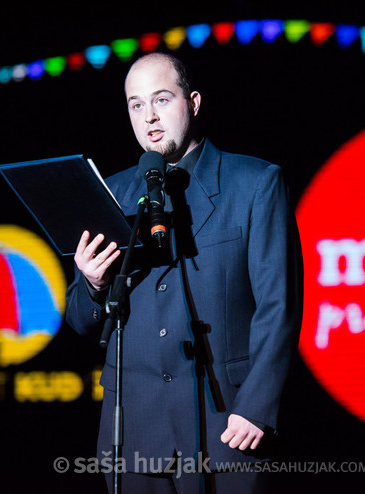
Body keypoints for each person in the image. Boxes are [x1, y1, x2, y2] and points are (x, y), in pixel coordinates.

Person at [65, 52, 302, 493]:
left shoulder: (255, 182)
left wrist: (257, 405)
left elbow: (278, 305)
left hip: (228, 426)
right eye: (136, 105)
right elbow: (80, 318)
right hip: (134, 436)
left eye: (161, 99)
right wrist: (94, 285)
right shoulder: (112, 193)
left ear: (192, 102)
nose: (149, 117)